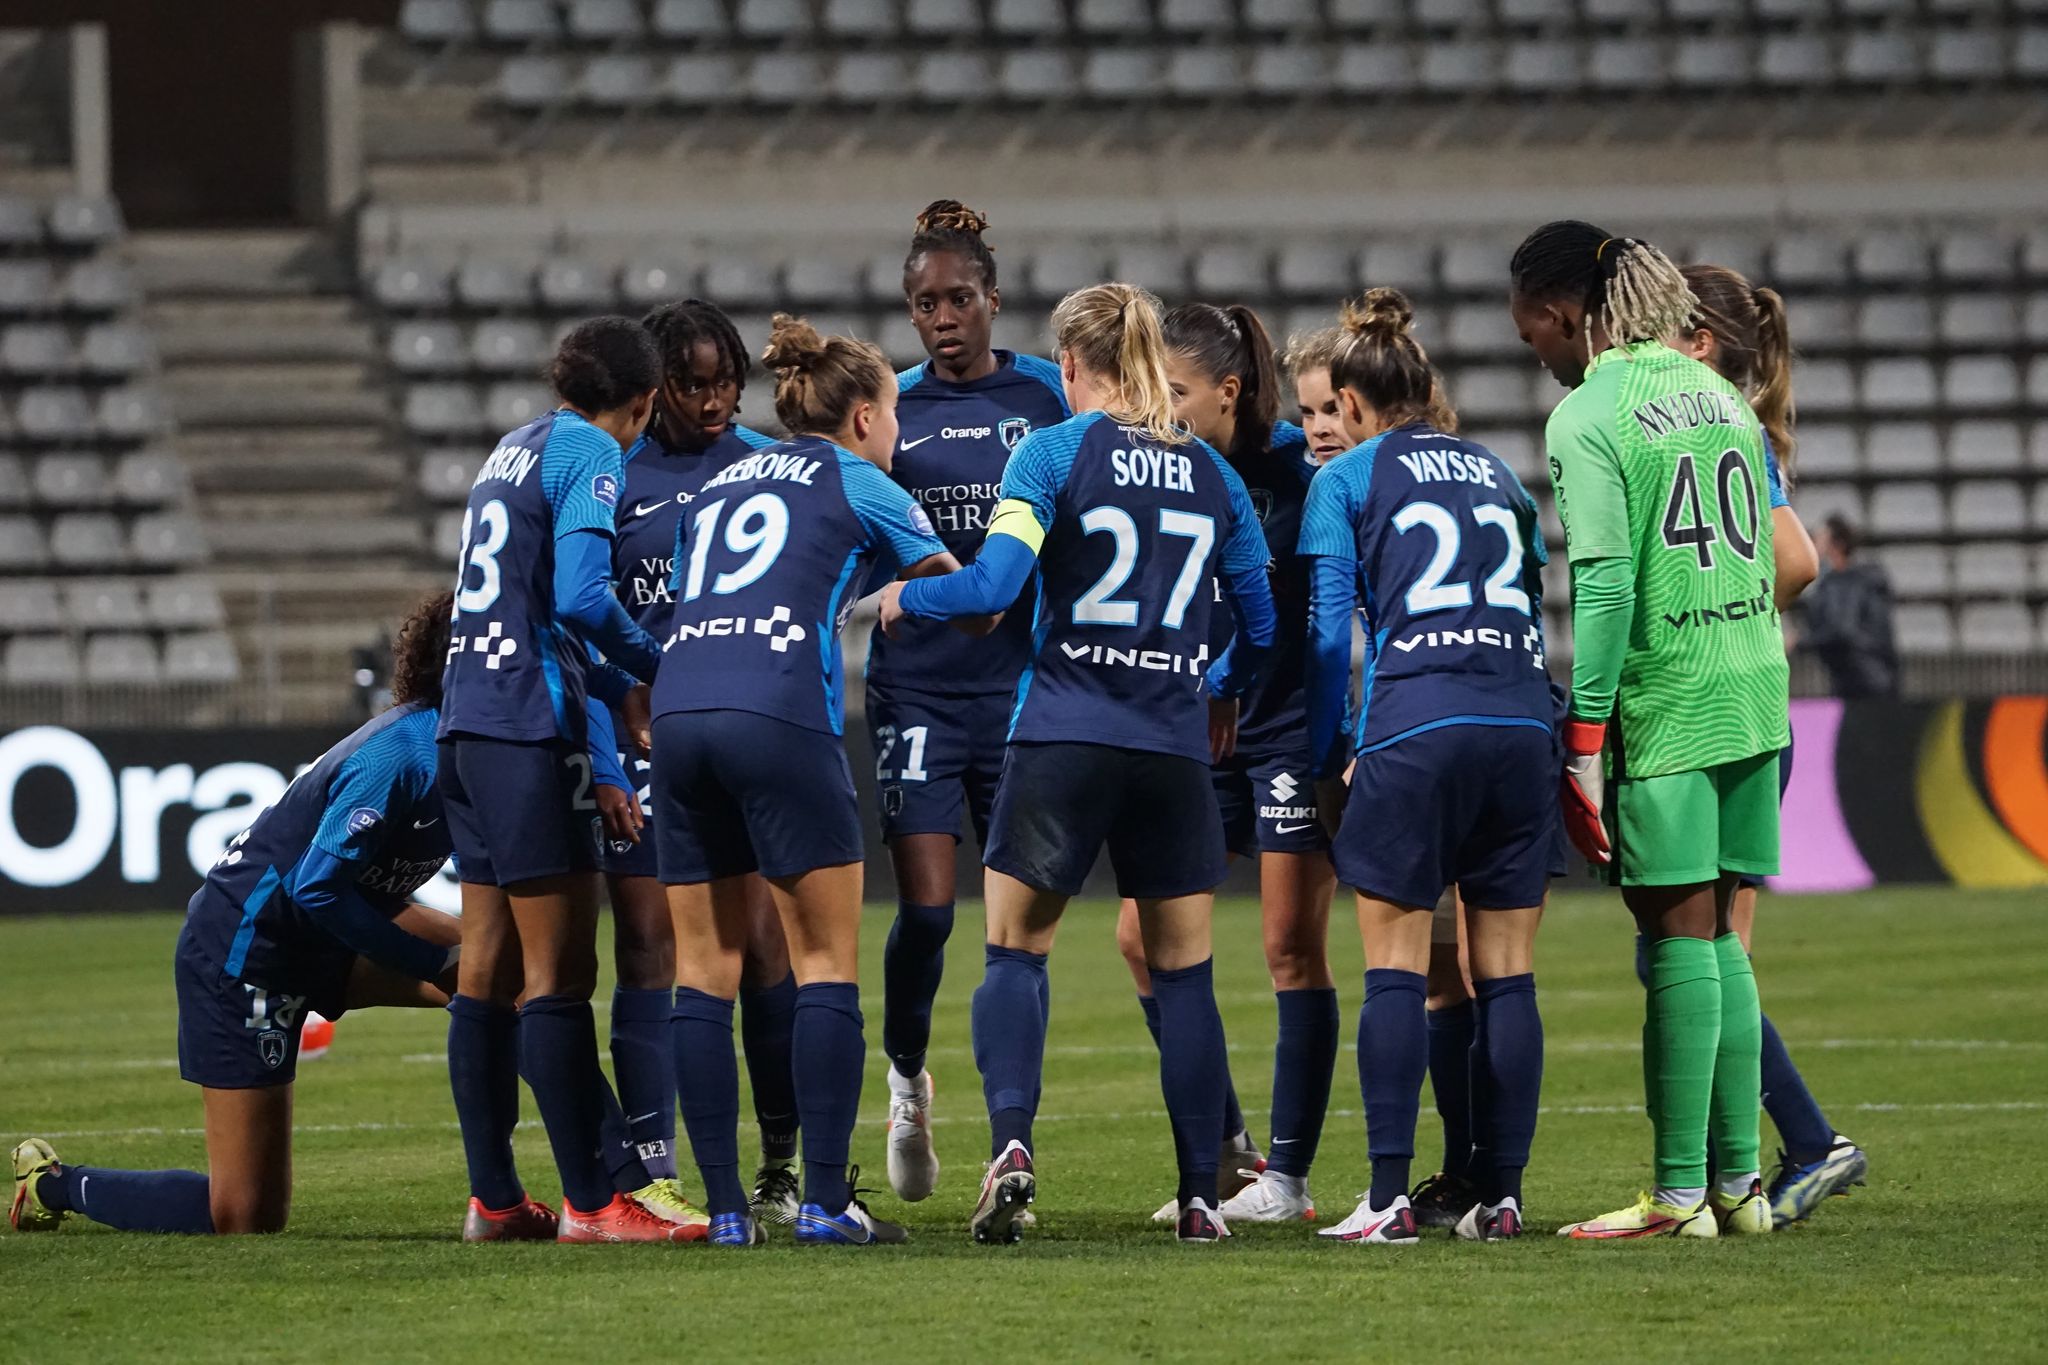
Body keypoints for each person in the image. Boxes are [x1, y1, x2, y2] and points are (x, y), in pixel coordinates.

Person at [879, 282, 1278, 1245]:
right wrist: (1214, 683)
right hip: (1173, 745)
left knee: (1016, 950)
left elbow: (995, 586)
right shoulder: (1216, 478)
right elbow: (1264, 626)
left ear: (1068, 367)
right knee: (1184, 976)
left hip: (1061, 732)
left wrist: (905, 600)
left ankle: (1012, 1149)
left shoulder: (1051, 452)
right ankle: (1196, 1197)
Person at [651, 315, 967, 1248]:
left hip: (679, 710)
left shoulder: (713, 483)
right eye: (898, 418)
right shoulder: (860, 477)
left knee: (702, 972)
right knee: (823, 960)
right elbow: (953, 585)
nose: (900, 435)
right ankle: (827, 1200)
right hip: (781, 710)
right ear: (866, 415)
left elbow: (691, 595)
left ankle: (723, 1210)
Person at [10, 596, 465, 1236]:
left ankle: (556, 1196)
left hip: (330, 931)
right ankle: (57, 1185)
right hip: (249, 954)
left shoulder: (480, 742)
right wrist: (428, 961)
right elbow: (315, 887)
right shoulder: (404, 752)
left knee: (504, 977)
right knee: (245, 1215)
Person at [1509, 221, 1787, 1239]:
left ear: (1558, 314)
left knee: (1672, 935)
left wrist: (1582, 734)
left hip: (1666, 694)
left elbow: (1607, 578)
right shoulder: (1716, 393)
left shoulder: (1589, 413)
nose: (1534, 354)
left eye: (1530, 333)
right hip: (1752, 681)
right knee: (1717, 933)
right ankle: (1737, 1190)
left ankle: (1676, 1197)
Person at [1300, 290, 1554, 1245]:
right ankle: (1505, 1197)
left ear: (1357, 406)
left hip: (1415, 724)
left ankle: (1386, 1197)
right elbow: (1533, 597)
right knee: (1508, 975)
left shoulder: (1348, 477)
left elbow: (1330, 637)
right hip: (1521, 719)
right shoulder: (1498, 472)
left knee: (1396, 969)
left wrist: (1334, 749)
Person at [438, 316, 692, 1244]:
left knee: (485, 970)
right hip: (524, 726)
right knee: (559, 973)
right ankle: (595, 1200)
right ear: (644, 402)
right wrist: (662, 662)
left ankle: (495, 1200)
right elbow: (585, 597)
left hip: (464, 723)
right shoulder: (593, 452)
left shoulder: (513, 446)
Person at [1111, 301, 1334, 1226]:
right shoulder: (1158, 461)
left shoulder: (1298, 466)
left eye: (1178, 392)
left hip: (1281, 730)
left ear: (1230, 391)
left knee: (1289, 947)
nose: (1159, 408)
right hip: (1195, 729)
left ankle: (1287, 1176)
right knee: (1137, 937)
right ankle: (1229, 1146)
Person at [870, 201, 1070, 1203]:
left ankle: (1010, 1143)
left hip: (1023, 693)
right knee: (927, 911)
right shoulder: (890, 410)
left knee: (1017, 929)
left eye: (956, 297)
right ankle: (906, 1078)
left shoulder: (1045, 399)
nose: (941, 316)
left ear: (992, 298)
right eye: (922, 303)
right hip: (915, 694)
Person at [592, 298, 808, 1225]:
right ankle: (652, 1164)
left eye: (727, 382)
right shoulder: (614, 478)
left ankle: (780, 1163)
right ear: (654, 386)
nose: (715, 400)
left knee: (763, 946)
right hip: (641, 734)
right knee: (647, 943)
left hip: (736, 727)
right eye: (692, 383)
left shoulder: (764, 467)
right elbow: (583, 606)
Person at [1669, 264, 1868, 1225]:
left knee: (1703, 953)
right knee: (1700, 952)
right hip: (1752, 704)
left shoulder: (1711, 428)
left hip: (1721, 705)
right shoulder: (1738, 427)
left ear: (1698, 341)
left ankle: (1802, 1144)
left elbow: (1796, 563)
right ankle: (1732, 1168)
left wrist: (1715, 618)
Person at [1802, 514, 1899, 700]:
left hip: (1861, 680)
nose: (1813, 544)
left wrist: (1800, 642)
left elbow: (1842, 630)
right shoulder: (1863, 581)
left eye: (1819, 539)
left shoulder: (1842, 584)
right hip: (1876, 676)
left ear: (1836, 545)